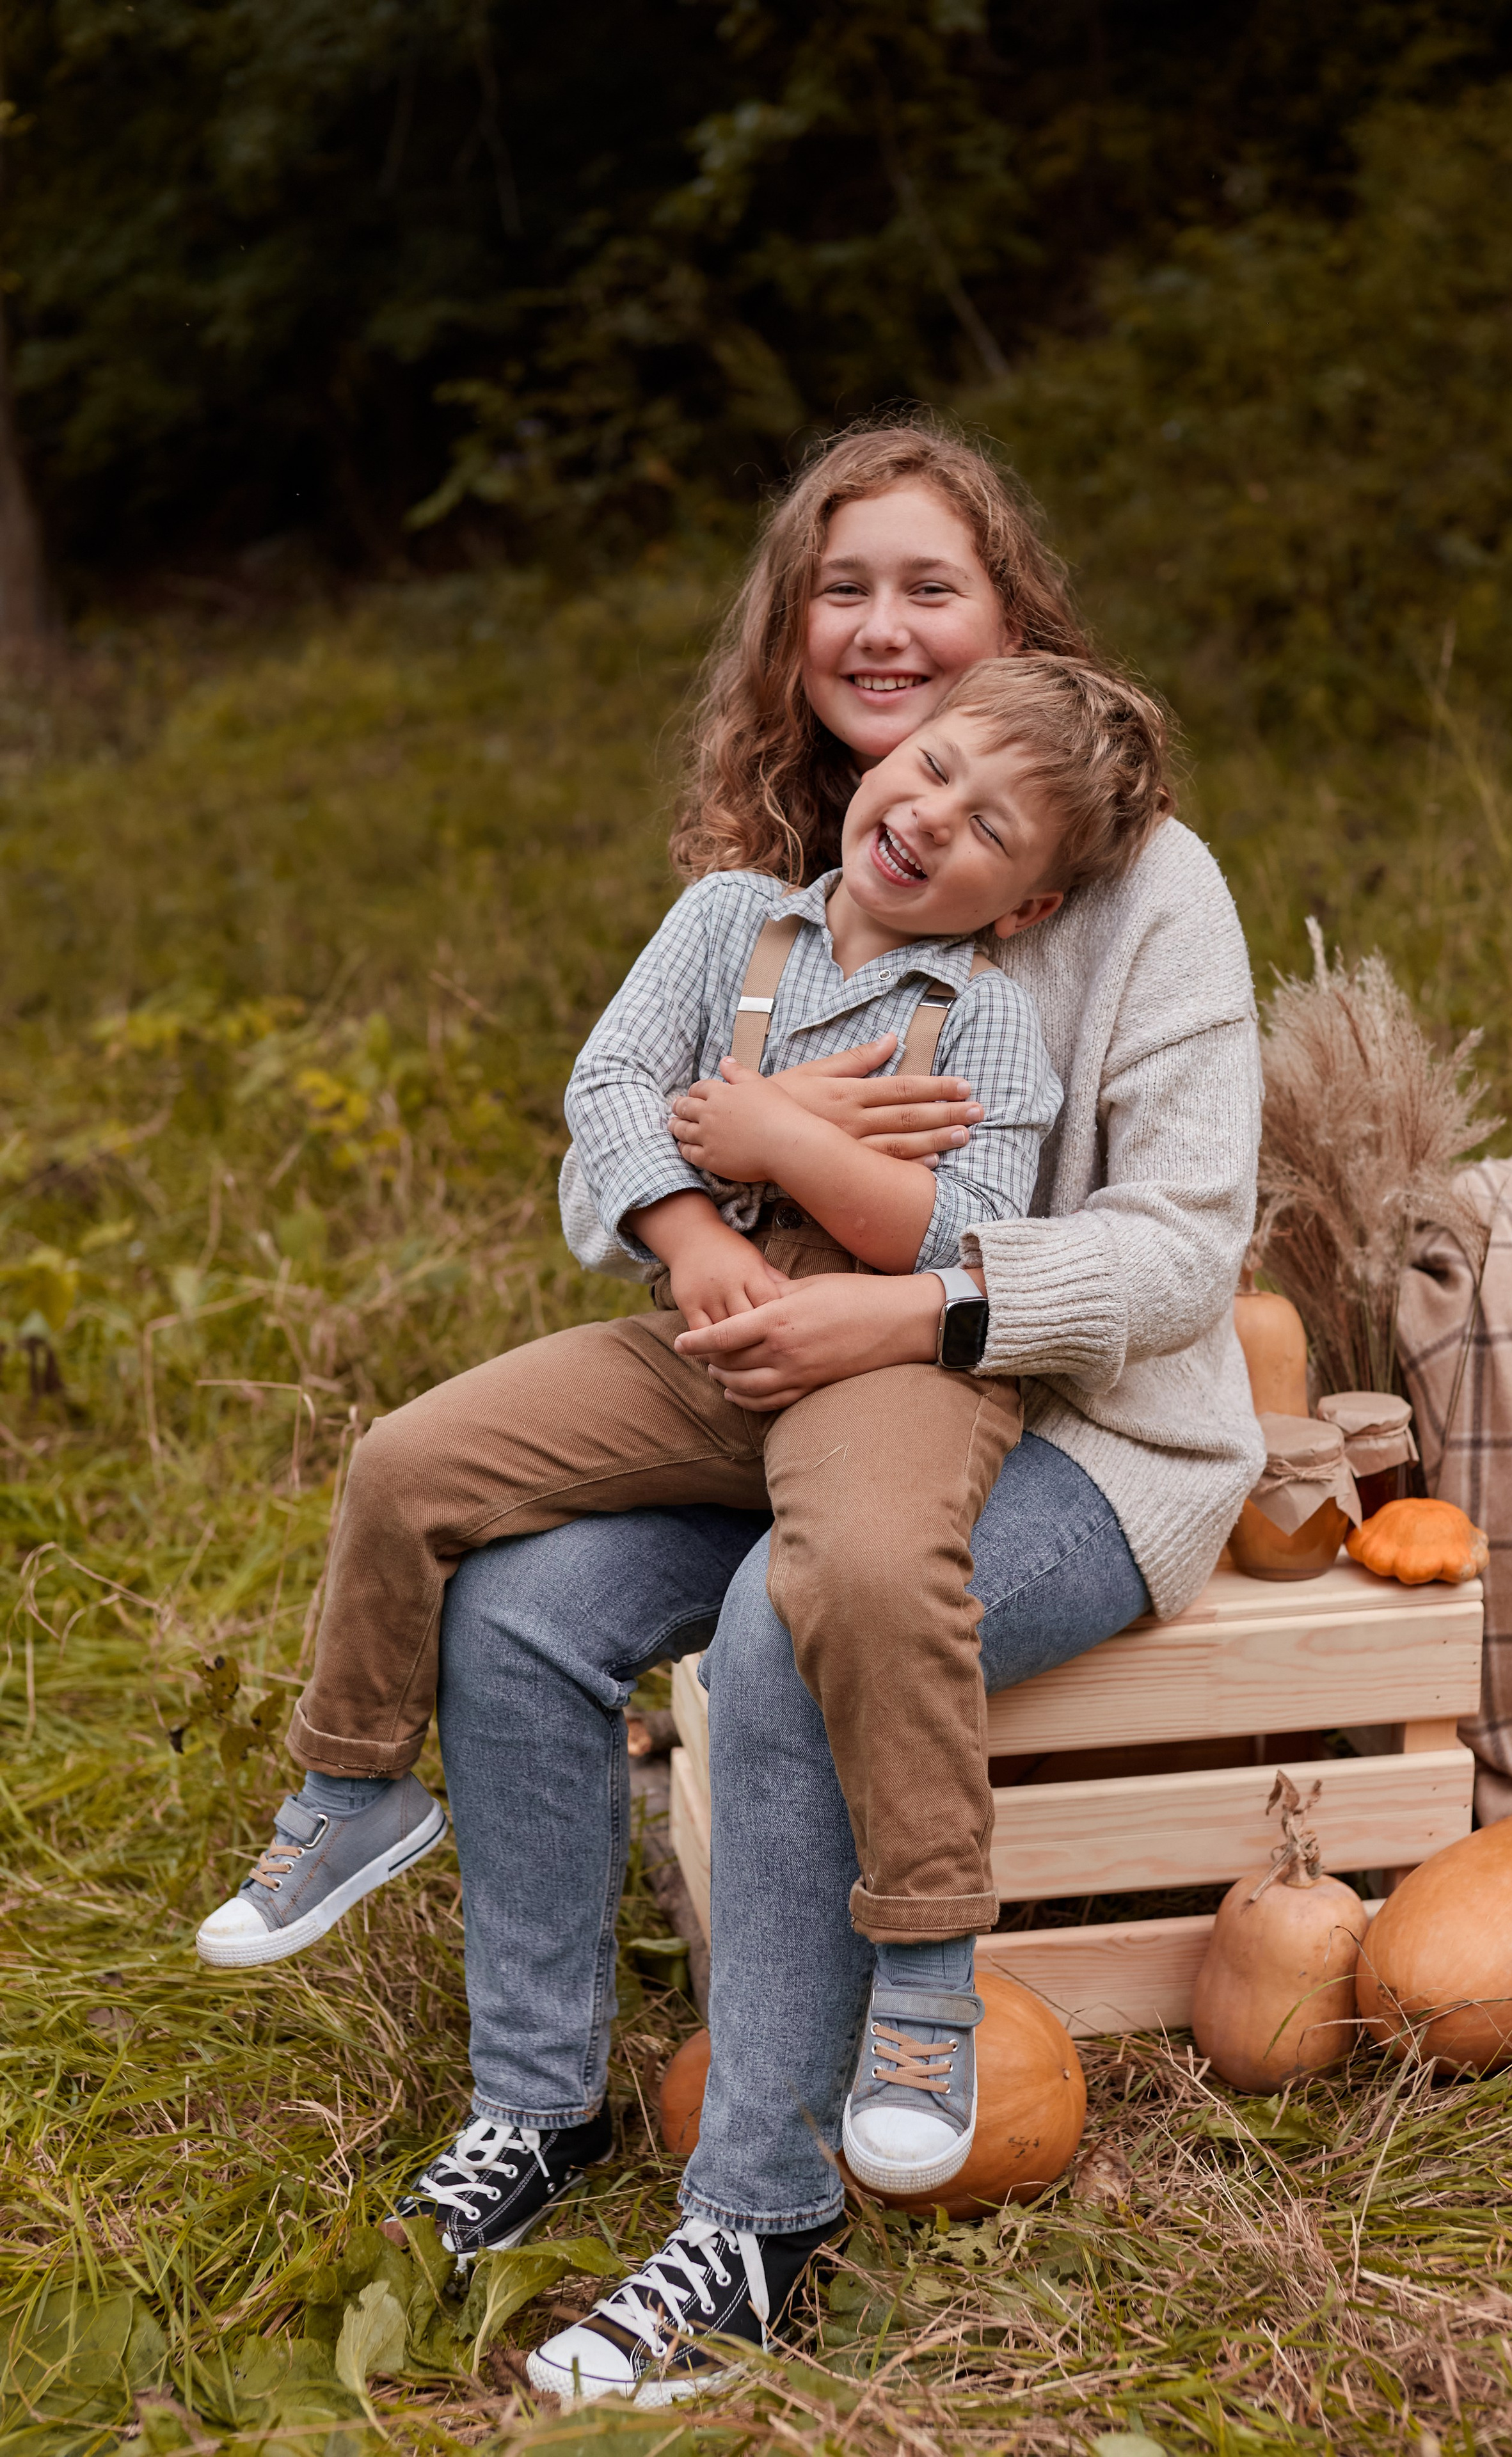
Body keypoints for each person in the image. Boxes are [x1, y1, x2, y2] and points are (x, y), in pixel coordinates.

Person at [235, 418, 1264, 2407]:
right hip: (794, 1384)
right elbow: (606, 1151)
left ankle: (757, 2229)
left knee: (791, 1632)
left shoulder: (1143, 888)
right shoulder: (782, 882)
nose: (883, 630)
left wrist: (906, 1284)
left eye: (931, 587)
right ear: (792, 632)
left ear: (1016, 622)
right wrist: (735, 1168)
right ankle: (540, 2104)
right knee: (514, 1605)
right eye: (840, 588)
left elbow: (1180, 1254)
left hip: (1082, 1435)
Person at [196, 649, 1174, 2211]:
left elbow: (957, 1233)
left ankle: (924, 1975)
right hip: (706, 1331)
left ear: (1025, 907)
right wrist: (697, 1232)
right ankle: (354, 1783)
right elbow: (607, 1089)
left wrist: (768, 1128)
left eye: (990, 827)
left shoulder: (990, 1024)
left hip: (886, 1373)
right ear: (885, 759)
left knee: (867, 1575)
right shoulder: (727, 923)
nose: (935, 816)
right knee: (407, 1461)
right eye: (933, 769)